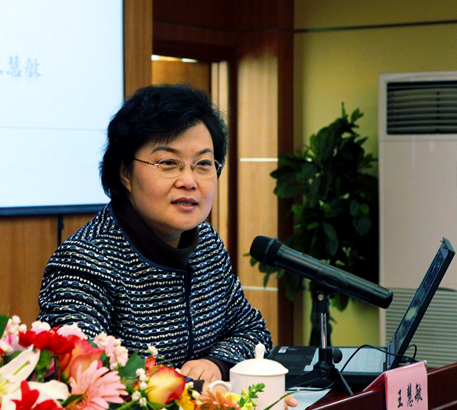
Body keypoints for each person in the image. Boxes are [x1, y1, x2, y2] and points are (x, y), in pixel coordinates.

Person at [37, 83, 297, 408]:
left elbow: (252, 331)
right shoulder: (85, 260)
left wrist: (216, 363)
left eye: (203, 164)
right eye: (168, 163)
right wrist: (191, 389)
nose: (189, 180)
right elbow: (81, 372)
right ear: (125, 172)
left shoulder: (206, 244)